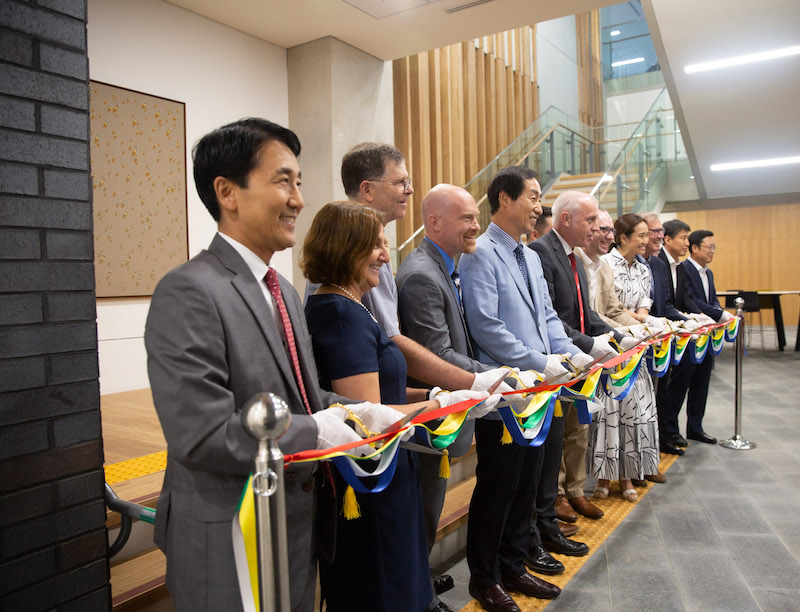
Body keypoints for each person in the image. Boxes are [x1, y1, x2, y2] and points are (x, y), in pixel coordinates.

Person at [144, 119, 372, 611]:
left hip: (295, 526)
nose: (298, 200)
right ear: (227, 192)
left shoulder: (282, 291)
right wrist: (318, 431)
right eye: (283, 181)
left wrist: (361, 413)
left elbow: (303, 397)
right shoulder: (189, 290)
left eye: (299, 183)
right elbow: (201, 433)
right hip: (230, 537)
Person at [310, 143, 513, 610]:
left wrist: (437, 391)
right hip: (374, 473)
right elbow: (370, 415)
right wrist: (445, 401)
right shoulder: (341, 314)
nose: (386, 257)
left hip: (390, 464)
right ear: (345, 250)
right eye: (376, 246)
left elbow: (383, 382)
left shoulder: (352, 306)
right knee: (384, 585)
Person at [460, 166, 594, 612]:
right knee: (498, 486)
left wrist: (569, 354)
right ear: (504, 199)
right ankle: (485, 578)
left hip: (541, 390)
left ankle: (514, 563)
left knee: (527, 484)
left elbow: (547, 318)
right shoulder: (480, 253)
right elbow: (487, 327)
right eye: (533, 197)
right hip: (508, 395)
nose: (539, 206)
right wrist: (539, 362)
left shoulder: (530, 256)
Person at [395, 184, 495, 590]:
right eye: (467, 218)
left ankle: (419, 580)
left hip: (444, 414)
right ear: (434, 223)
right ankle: (417, 590)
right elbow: (437, 356)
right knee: (422, 508)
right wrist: (493, 375)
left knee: (428, 507)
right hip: (429, 418)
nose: (476, 226)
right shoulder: (421, 274)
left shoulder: (446, 266)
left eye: (476, 217)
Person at [528, 192, 633, 542]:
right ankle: (555, 500)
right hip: (560, 357)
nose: (595, 229)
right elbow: (551, 317)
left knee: (578, 430)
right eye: (590, 221)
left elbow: (586, 313)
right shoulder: (542, 252)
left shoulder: (574, 257)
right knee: (556, 435)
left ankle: (574, 491)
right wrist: (588, 344)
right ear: (567, 219)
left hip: (580, 357)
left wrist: (618, 336)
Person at [588, 213, 661, 501]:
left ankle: (629, 473)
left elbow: (643, 304)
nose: (646, 240)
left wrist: (644, 324)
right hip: (613, 345)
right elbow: (607, 308)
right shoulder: (606, 263)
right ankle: (605, 476)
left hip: (636, 345)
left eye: (647, 235)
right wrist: (635, 328)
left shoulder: (643, 267)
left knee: (635, 412)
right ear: (623, 238)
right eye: (641, 235)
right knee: (610, 413)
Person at [659, 230, 733, 446]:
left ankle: (695, 426)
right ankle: (670, 429)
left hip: (707, 333)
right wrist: (713, 314)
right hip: (689, 333)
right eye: (709, 247)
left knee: (702, 382)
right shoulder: (684, 268)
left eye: (714, 247)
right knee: (681, 382)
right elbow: (689, 300)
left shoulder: (708, 273)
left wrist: (717, 312)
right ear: (695, 248)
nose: (712, 251)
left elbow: (712, 298)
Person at [656, 219, 710, 452]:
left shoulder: (679, 266)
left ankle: (672, 430)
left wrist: (700, 316)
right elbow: (664, 303)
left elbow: (685, 297)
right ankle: (666, 432)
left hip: (681, 330)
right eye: (683, 238)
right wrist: (686, 319)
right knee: (668, 387)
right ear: (667, 239)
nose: (687, 243)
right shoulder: (658, 263)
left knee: (682, 383)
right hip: (665, 331)